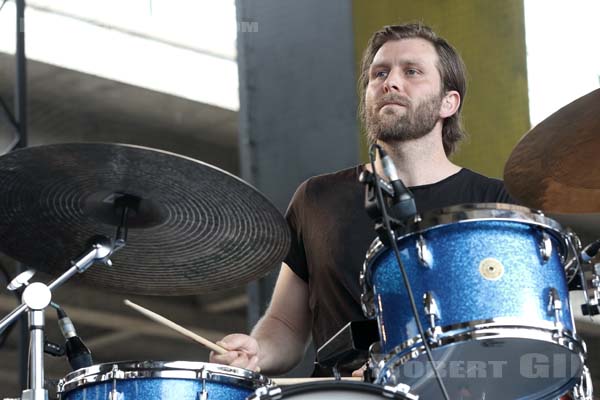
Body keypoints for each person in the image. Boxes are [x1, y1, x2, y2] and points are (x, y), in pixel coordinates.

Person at [210, 22, 513, 376]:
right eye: (379, 73)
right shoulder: (317, 199)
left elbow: (507, 332)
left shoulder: (493, 203)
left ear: (449, 102)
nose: (390, 83)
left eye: (411, 71)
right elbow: (286, 325)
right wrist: (256, 351)